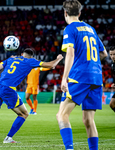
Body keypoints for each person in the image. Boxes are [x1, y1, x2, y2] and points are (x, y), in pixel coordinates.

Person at [56, 1, 108, 150]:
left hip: (79, 76)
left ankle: (69, 148)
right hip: (96, 77)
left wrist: (64, 77)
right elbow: (103, 53)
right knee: (88, 120)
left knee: (62, 115)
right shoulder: (91, 29)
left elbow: (70, 52)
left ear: (65, 13)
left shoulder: (70, 28)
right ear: (79, 13)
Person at [109, 46, 115, 111]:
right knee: (112, 104)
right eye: (111, 54)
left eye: (114, 54)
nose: (112, 56)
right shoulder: (112, 64)